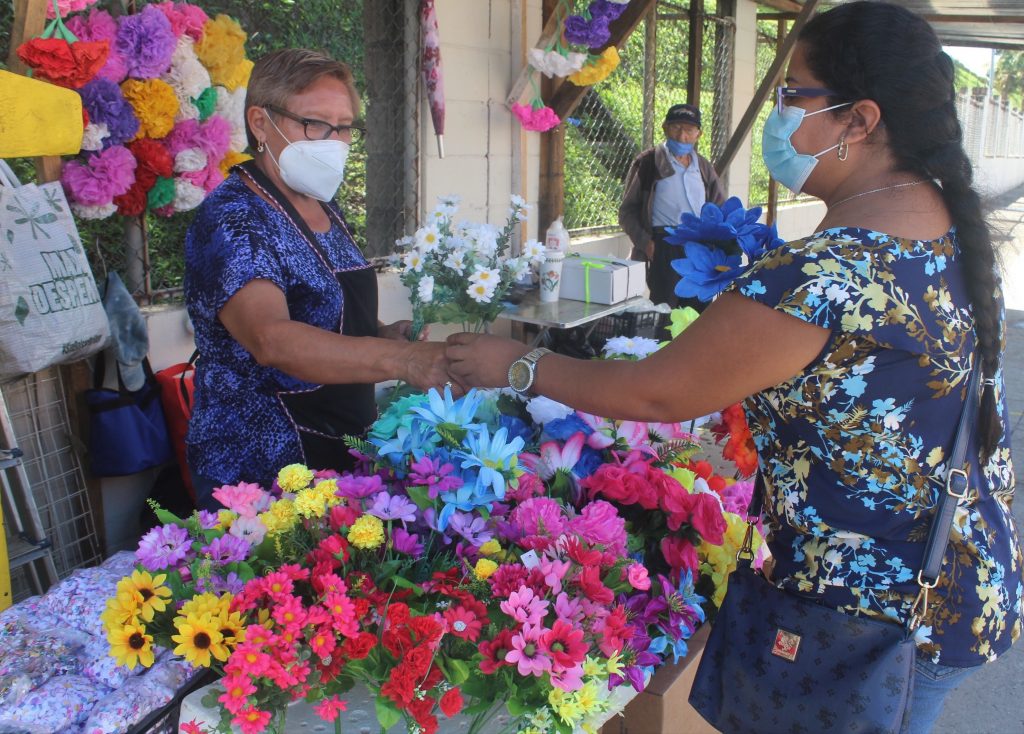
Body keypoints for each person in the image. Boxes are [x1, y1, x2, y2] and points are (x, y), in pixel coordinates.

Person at [447, 3, 1022, 732]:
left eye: (794, 94)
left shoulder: (826, 273)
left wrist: (519, 364)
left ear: (859, 120)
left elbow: (658, 392)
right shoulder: (946, 227)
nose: (781, 114)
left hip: (869, 621)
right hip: (955, 579)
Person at [184, 48, 449, 511]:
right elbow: (271, 339)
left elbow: (324, 311)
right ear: (260, 123)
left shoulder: (322, 205)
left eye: (344, 127)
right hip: (261, 462)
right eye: (314, 124)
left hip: (339, 439)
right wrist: (405, 360)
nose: (334, 141)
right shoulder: (233, 218)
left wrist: (382, 334)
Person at [619, 103, 727, 311]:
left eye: (689, 130)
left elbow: (720, 208)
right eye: (676, 127)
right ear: (665, 128)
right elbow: (627, 211)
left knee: (699, 311)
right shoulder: (649, 163)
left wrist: (718, 246)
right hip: (665, 245)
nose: (682, 136)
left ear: (698, 134)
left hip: (699, 246)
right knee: (665, 310)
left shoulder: (703, 167)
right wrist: (646, 243)